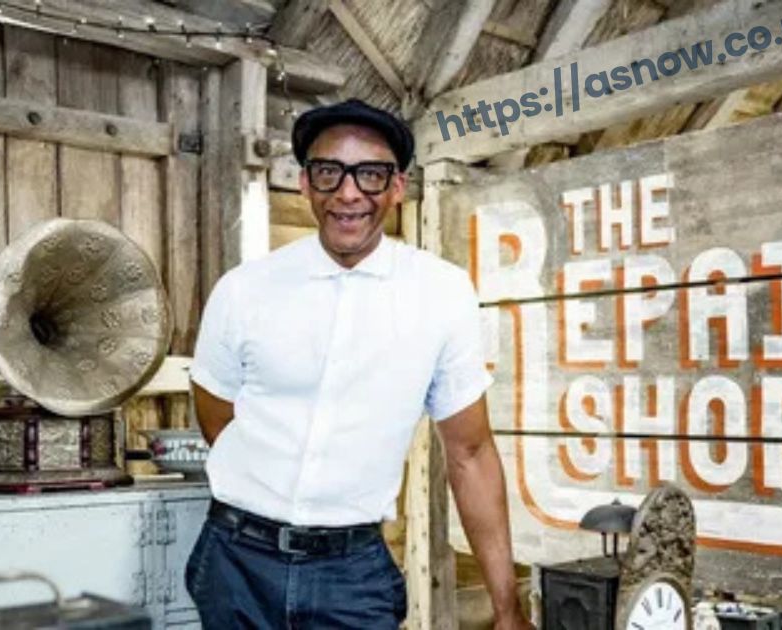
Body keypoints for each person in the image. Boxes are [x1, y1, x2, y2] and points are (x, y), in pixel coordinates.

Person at [186, 99, 529, 629]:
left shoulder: (442, 294)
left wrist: (507, 608)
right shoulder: (243, 290)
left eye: (371, 175)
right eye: (329, 172)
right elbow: (217, 417)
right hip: (236, 563)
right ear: (305, 183)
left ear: (397, 187)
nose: (349, 193)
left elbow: (471, 452)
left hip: (352, 574)